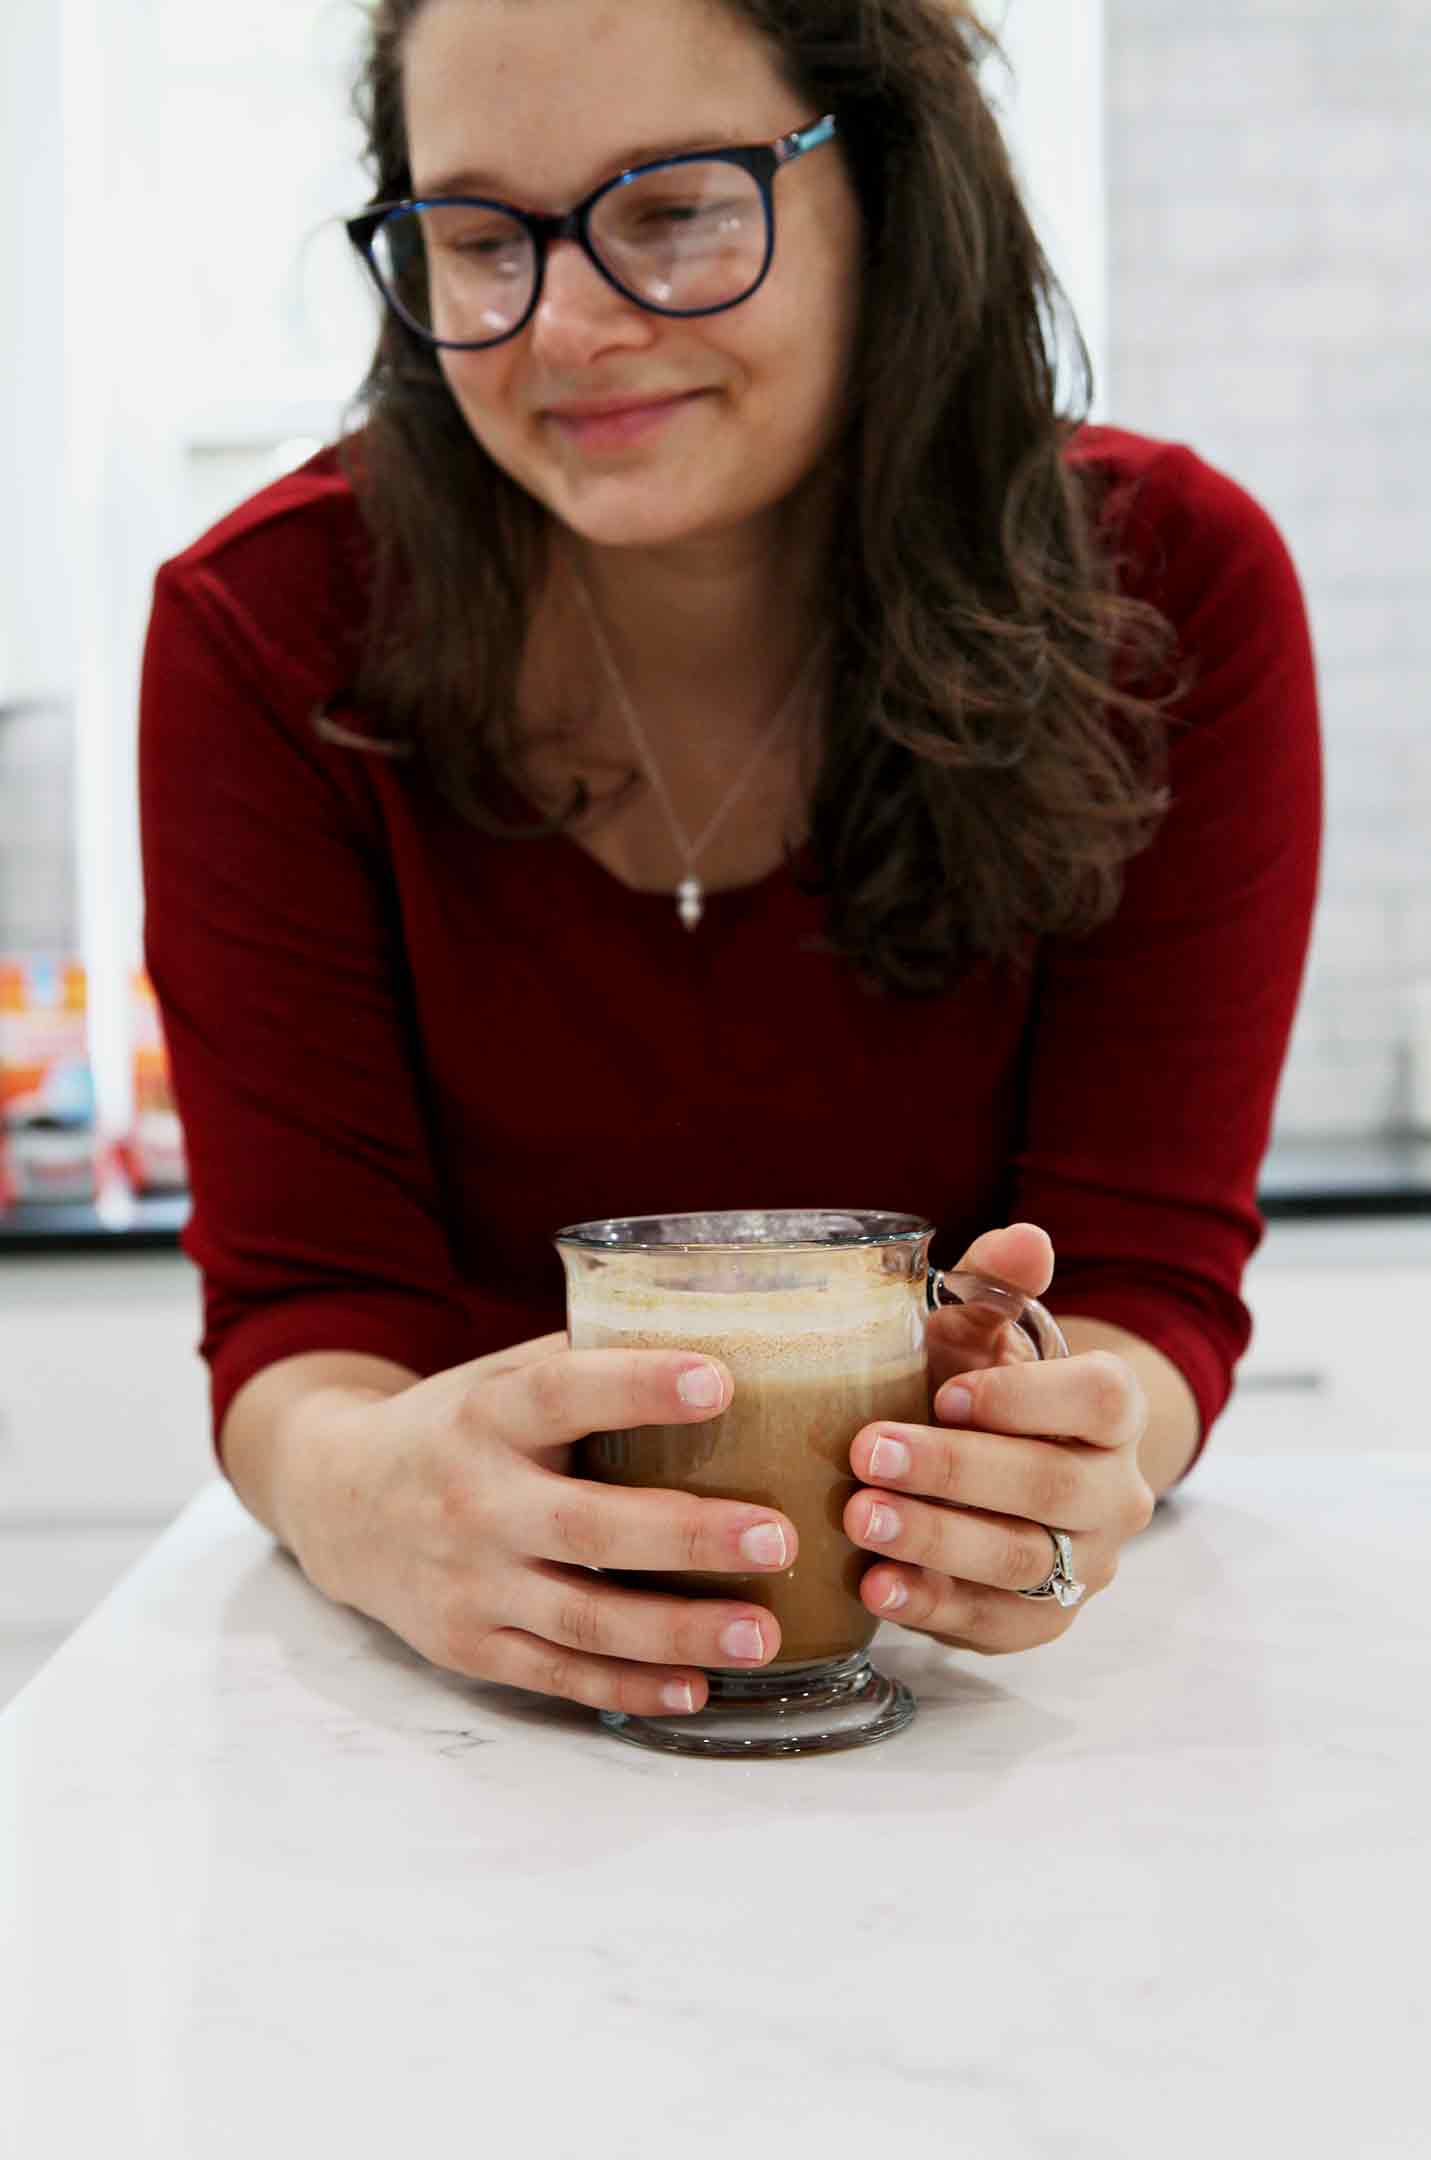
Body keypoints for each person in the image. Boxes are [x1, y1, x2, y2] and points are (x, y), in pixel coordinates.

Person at [139, 0, 1321, 1722]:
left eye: (677, 210)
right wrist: (358, 1495)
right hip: (468, 1722)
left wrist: (1061, 1452)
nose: (566, 326)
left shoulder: (1169, 604)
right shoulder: (270, 636)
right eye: (479, 239)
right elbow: (310, 1321)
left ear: (894, 201)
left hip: (979, 1716)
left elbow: (1137, 1288)